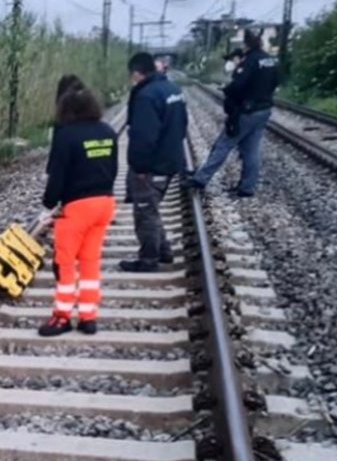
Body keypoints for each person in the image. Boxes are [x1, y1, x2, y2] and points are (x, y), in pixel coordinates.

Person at [39, 86, 119, 337]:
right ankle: (88, 316)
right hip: (104, 204)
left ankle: (61, 318)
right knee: (90, 261)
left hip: (77, 209)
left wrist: (49, 203)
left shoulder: (67, 136)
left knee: (65, 263)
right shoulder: (108, 132)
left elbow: (57, 176)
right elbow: (114, 169)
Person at [187, 31, 279, 198]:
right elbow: (276, 81)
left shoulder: (250, 60)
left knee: (224, 144)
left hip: (247, 111)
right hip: (264, 110)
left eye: (243, 44)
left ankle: (200, 179)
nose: (241, 47)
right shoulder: (269, 60)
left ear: (247, 45)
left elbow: (239, 84)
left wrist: (227, 90)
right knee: (251, 150)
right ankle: (247, 187)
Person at [121, 52, 188, 274]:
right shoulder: (172, 89)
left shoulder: (146, 96)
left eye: (133, 75)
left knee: (144, 212)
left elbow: (143, 136)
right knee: (151, 207)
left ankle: (148, 260)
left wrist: (139, 168)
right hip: (170, 160)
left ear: (137, 73)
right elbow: (183, 124)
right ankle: (164, 250)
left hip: (153, 165)